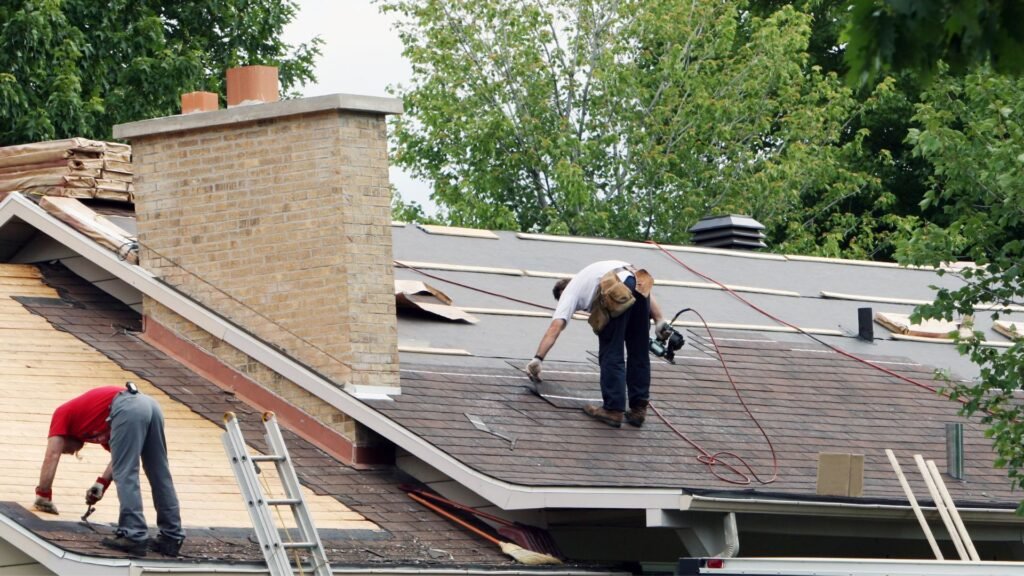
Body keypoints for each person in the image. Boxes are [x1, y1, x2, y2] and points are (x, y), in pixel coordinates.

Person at [34, 382, 186, 557]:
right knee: (159, 472)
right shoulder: (93, 424)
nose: (69, 452)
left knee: (127, 473)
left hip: (128, 406)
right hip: (148, 405)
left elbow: (51, 456)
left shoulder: (62, 413)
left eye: (65, 450)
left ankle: (133, 534)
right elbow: (117, 458)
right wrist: (101, 484)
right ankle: (171, 537)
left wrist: (43, 495)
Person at [527, 260, 672, 428]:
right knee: (638, 350)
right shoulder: (591, 275)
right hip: (638, 281)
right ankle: (638, 409)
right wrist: (659, 319)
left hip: (616, 289)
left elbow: (556, 327)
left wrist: (538, 359)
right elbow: (638, 285)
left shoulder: (569, 292)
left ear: (561, 292)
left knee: (611, 351)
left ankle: (613, 410)